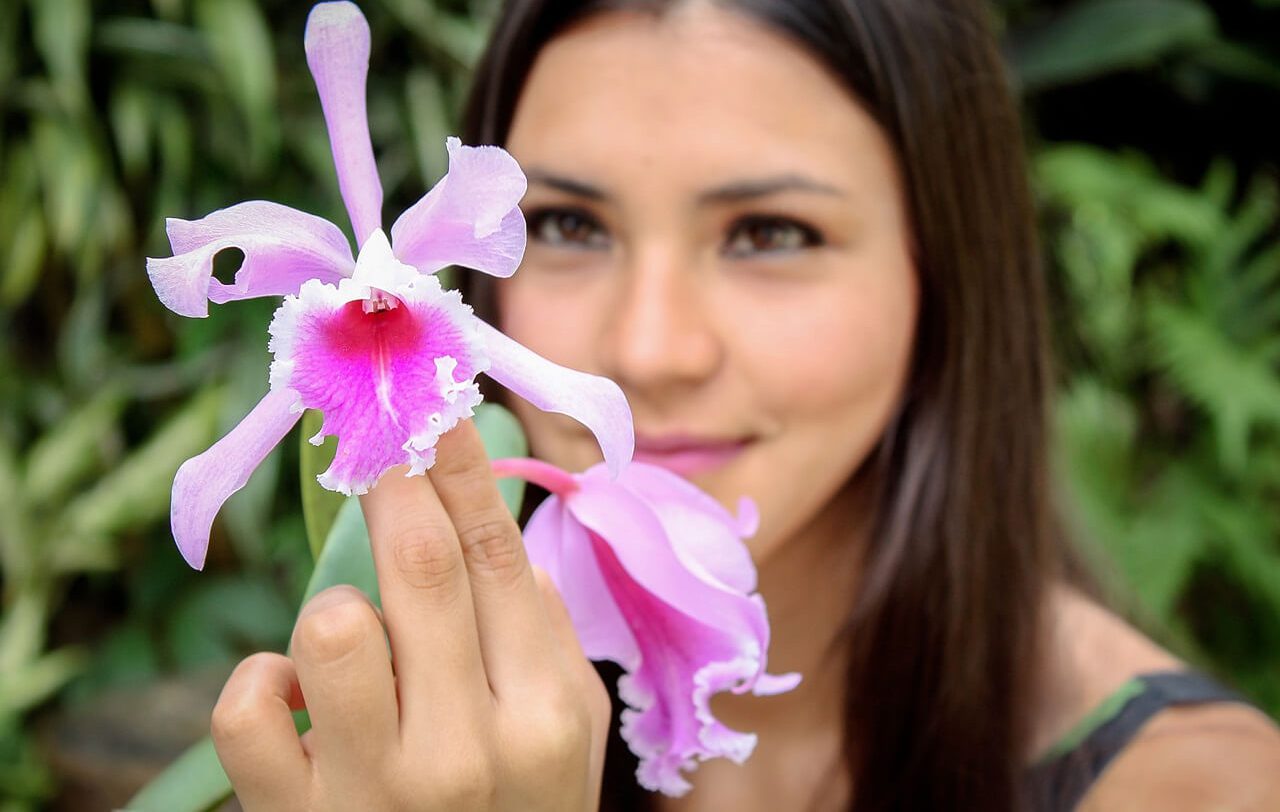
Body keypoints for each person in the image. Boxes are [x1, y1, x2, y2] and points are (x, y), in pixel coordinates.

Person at [208, 0, 1280, 809]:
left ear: (943, 268)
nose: (647, 348)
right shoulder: (386, 752)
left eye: (769, 232)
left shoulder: (1200, 786)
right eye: (571, 225)